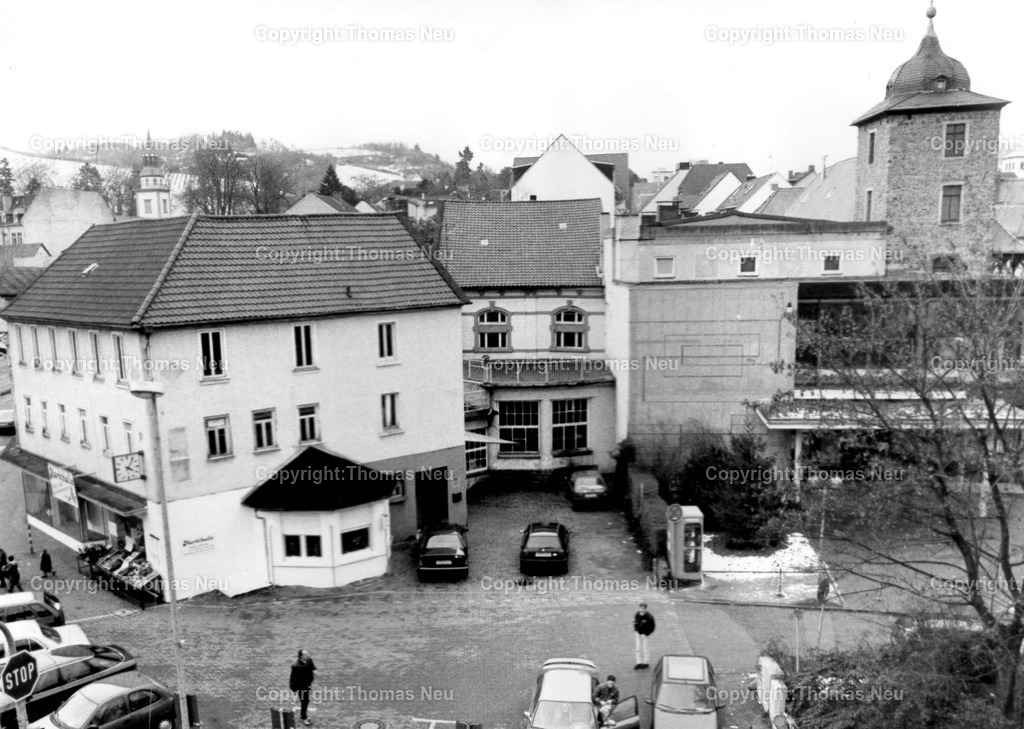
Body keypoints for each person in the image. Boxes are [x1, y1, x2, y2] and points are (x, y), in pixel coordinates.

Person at [289, 649, 317, 726]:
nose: (308, 655)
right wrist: (293, 688)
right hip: (301, 687)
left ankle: (303, 716)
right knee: (304, 701)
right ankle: (303, 717)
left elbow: (312, 666)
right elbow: (293, 678)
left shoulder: (309, 660)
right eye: (306, 654)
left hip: (307, 685)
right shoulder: (296, 666)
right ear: (301, 656)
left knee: (306, 701)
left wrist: (314, 670)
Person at [633, 602, 655, 669]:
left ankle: (646, 663)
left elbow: (652, 626)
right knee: (638, 649)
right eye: (640, 608)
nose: (641, 610)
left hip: (644, 635)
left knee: (645, 649)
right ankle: (638, 662)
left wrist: (647, 633)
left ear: (645, 609)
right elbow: (635, 622)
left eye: (643, 608)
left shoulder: (649, 617)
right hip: (638, 634)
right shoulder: (637, 614)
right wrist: (636, 630)